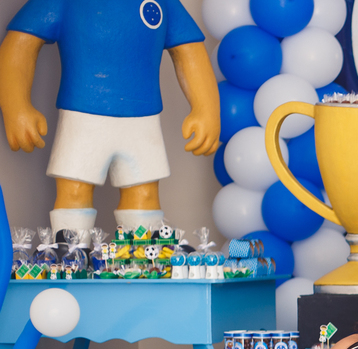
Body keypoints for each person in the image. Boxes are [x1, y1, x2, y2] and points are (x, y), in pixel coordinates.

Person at [0, 0, 220, 238]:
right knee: (74, 191)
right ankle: (72, 256)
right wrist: (16, 105)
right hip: (81, 118)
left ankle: (144, 262)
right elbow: (21, 41)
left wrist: (206, 108)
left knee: (144, 195)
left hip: (143, 122)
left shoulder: (163, 2)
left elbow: (189, 49)